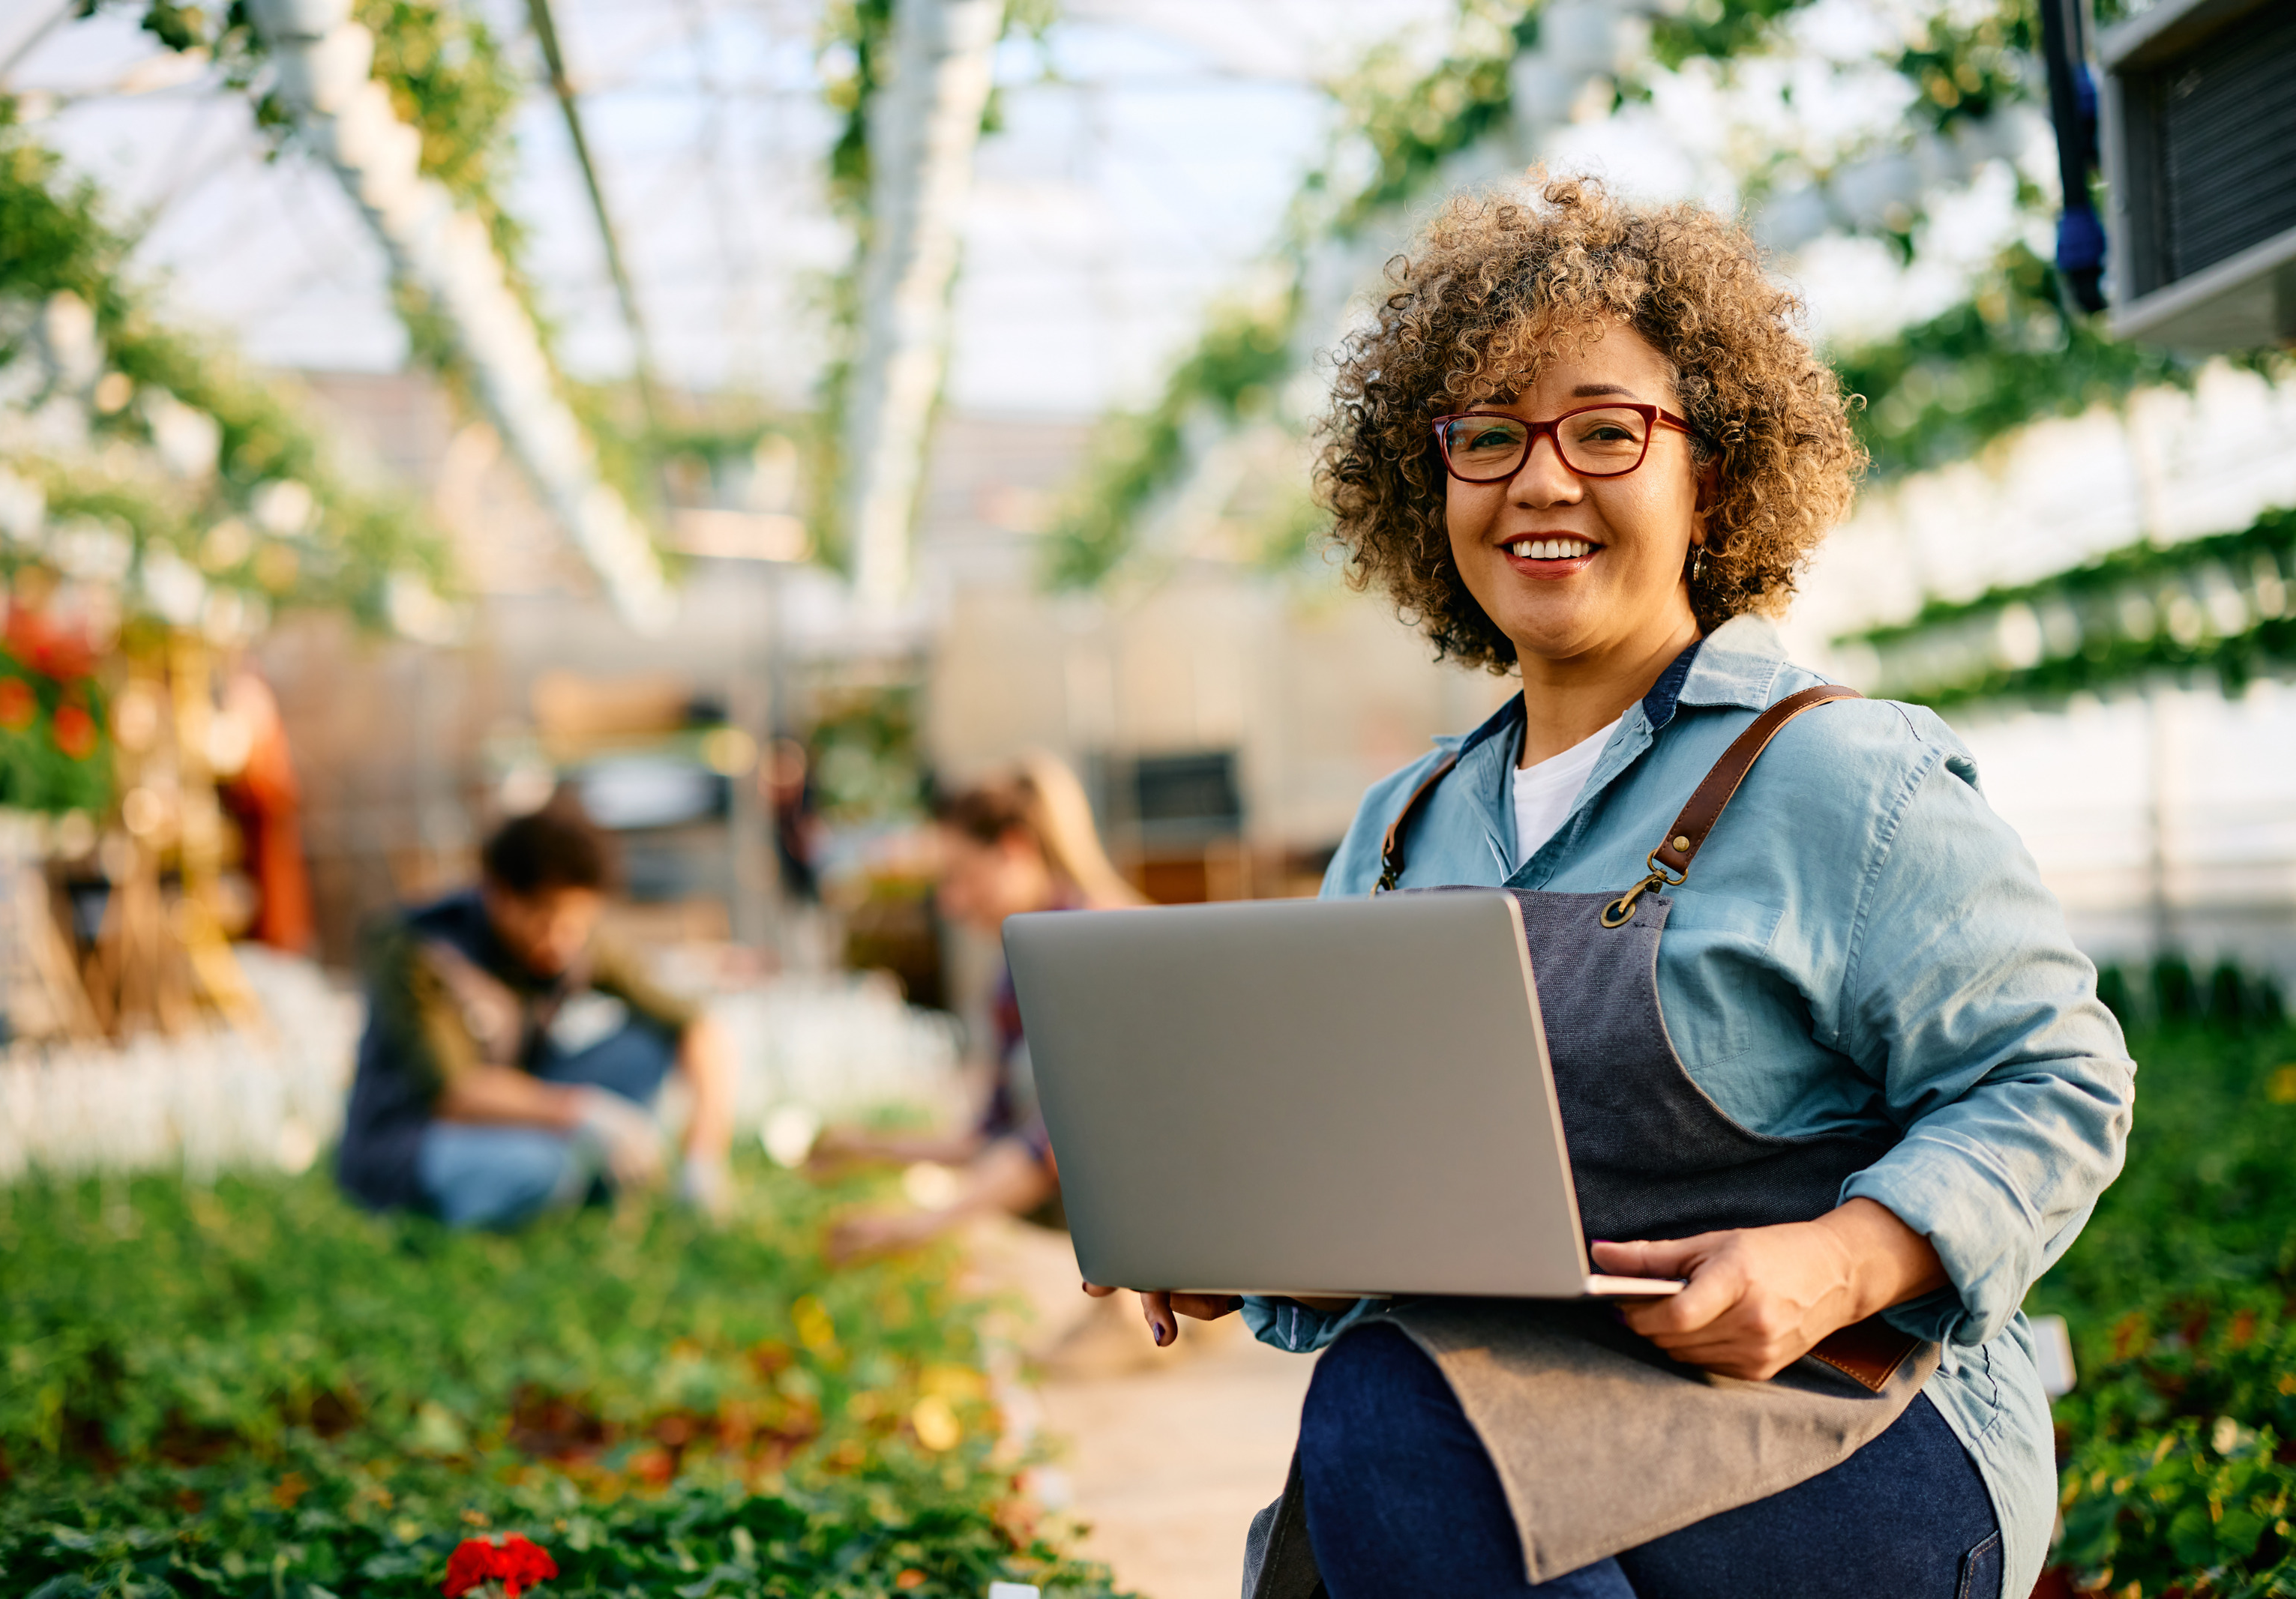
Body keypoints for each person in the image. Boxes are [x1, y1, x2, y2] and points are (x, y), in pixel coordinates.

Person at [1094, 176, 2134, 1599]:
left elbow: (2058, 1080)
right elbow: (1374, 1200)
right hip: (1512, 1417)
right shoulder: (1403, 831)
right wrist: (1242, 1246)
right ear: (1429, 484)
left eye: (1605, 429)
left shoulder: (1841, 777)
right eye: (1485, 436)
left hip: (1843, 1421)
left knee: (1390, 1430)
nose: (1539, 481)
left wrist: (1835, 1259)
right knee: (1394, 1417)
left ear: (1713, 470)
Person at [334, 797, 739, 1229]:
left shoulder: (572, 937)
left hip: (520, 1111)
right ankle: (481, 1211)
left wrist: (704, 1157)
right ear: (499, 894)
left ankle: (574, 1184)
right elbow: (456, 1093)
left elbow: (697, 1025)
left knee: (648, 1043)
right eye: (544, 922)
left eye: (578, 925)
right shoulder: (422, 947)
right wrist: (586, 1112)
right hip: (415, 1137)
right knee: (543, 1167)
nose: (562, 942)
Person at [819, 753, 1144, 1259]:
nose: (951, 902)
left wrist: (921, 1226)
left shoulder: (1090, 948)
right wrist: (867, 1148)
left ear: (1013, 848)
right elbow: (994, 1135)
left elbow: (1063, 1144)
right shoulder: (1018, 968)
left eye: (961, 875)